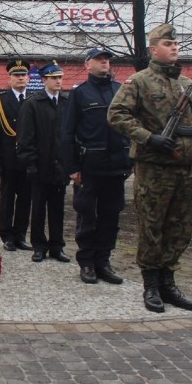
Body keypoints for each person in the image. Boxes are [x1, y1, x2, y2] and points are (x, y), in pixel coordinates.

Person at [108, 24, 192, 313]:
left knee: (180, 227)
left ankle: (168, 282)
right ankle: (151, 285)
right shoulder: (139, 81)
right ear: (153, 49)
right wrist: (149, 138)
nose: (174, 47)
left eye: (176, 43)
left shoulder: (187, 84)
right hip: (154, 169)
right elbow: (116, 115)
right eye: (168, 43)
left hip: (185, 169)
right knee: (153, 227)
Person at [62, 48, 131, 284]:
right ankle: (87, 263)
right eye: (100, 59)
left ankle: (104, 261)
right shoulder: (80, 94)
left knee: (111, 217)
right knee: (87, 216)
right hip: (89, 167)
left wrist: (129, 160)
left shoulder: (120, 90)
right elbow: (68, 132)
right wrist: (72, 167)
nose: (105, 63)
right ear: (87, 65)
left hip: (116, 167)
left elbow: (130, 126)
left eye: (107, 59)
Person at [17, 61, 70, 264]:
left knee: (58, 209)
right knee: (38, 208)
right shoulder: (33, 104)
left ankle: (57, 246)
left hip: (60, 166)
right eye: (54, 78)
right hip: (40, 165)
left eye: (60, 78)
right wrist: (30, 163)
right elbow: (25, 137)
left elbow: (70, 135)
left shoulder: (66, 102)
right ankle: (39, 246)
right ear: (45, 80)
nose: (58, 81)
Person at [0, 58, 33, 252]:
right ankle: (7, 236)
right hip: (8, 158)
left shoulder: (34, 99)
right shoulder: (0, 100)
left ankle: (21, 235)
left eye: (23, 75)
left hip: (28, 159)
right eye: (16, 75)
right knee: (7, 200)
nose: (20, 78)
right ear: (10, 78)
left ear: (28, 78)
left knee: (25, 199)